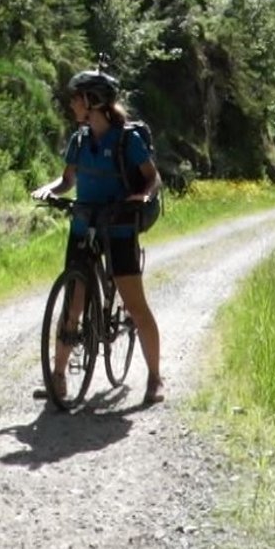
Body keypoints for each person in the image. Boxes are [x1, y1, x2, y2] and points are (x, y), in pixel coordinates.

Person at [32, 68, 166, 405]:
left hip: (119, 224)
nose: (72, 103)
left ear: (93, 102)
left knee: (135, 305)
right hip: (84, 222)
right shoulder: (79, 140)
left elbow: (152, 178)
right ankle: (58, 377)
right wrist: (48, 190)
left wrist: (144, 197)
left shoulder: (126, 140)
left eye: (77, 98)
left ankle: (154, 378)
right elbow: (67, 182)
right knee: (72, 303)